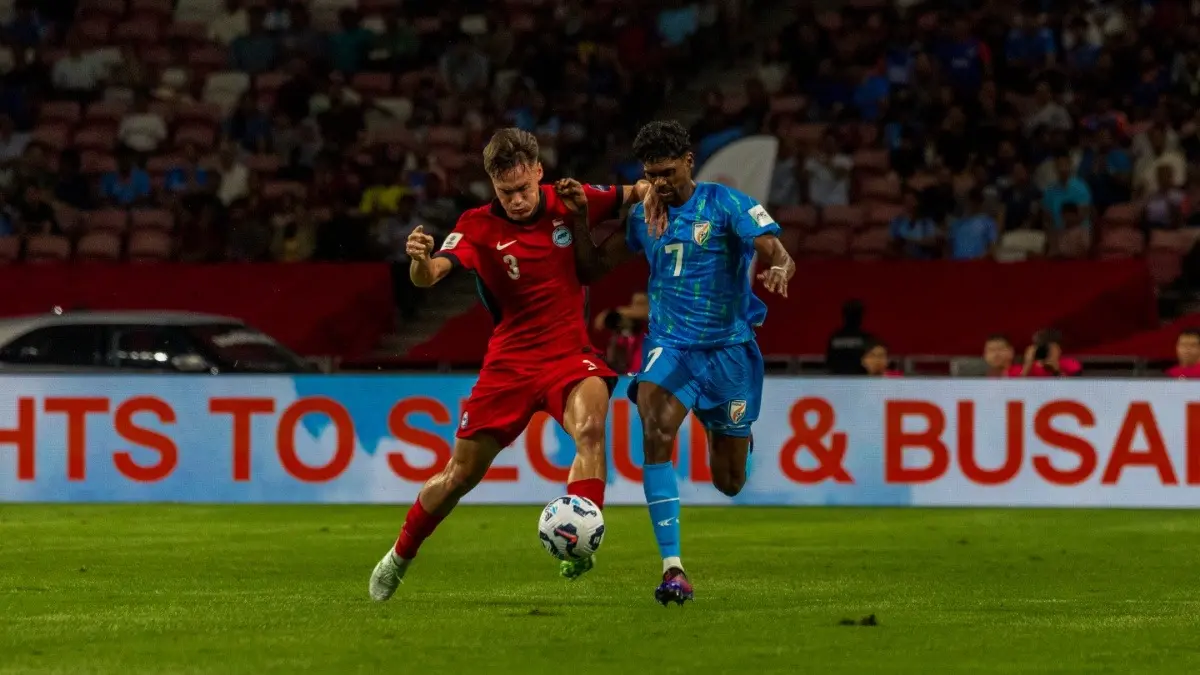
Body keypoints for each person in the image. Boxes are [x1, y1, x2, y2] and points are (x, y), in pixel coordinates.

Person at [368, 128, 651, 601]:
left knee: (590, 430)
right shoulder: (477, 227)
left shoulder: (569, 199)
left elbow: (636, 192)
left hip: (569, 356)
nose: (517, 200)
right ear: (492, 187)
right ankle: (398, 556)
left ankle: (579, 541)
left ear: (538, 172)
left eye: (523, 189)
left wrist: (656, 197)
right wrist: (418, 260)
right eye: (506, 192)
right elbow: (430, 276)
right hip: (510, 365)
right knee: (459, 476)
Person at [563, 120, 795, 605]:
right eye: (652, 174)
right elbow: (590, 269)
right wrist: (581, 220)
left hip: (729, 352)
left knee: (729, 482)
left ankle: (736, 434)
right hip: (670, 346)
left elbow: (773, 247)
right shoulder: (644, 217)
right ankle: (673, 569)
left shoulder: (725, 203)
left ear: (689, 162)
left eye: (667, 173)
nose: (660, 184)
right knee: (654, 422)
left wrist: (778, 264)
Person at [825, 299, 872, 375]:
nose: (854, 318)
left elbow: (829, 364)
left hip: (840, 381)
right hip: (859, 381)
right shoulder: (867, 338)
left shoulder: (835, 337)